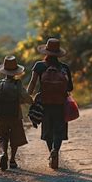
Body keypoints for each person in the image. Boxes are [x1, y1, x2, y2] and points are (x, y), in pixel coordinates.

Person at [27, 38, 73, 169]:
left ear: (45, 51)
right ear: (58, 53)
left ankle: (50, 153)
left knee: (48, 129)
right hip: (60, 102)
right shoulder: (64, 68)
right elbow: (70, 88)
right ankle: (56, 150)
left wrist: (26, 97)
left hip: (44, 103)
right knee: (59, 128)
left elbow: (32, 84)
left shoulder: (39, 66)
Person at [0, 56, 33, 171]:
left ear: (4, 71)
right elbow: (26, 97)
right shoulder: (18, 84)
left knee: (1, 136)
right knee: (14, 137)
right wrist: (32, 102)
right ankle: (13, 160)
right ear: (16, 72)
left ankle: (4, 153)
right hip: (15, 115)